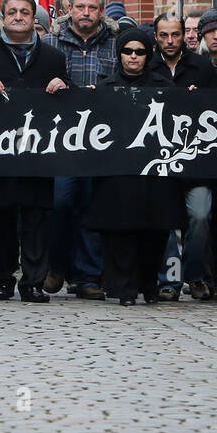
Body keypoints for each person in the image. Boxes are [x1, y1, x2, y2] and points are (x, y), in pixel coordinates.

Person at [0, 0, 69, 302]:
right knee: (1, 216)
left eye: (24, 12)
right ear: (3, 17)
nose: (18, 16)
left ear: (34, 18)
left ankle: (33, 281)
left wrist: (63, 88)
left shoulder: (53, 58)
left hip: (38, 150)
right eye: (12, 12)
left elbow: (70, 102)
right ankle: (2, 279)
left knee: (36, 216)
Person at [88, 27, 183, 305]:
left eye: (140, 52)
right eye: (128, 51)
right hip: (117, 173)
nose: (133, 56)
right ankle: (125, 287)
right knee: (120, 232)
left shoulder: (164, 87)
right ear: (119, 54)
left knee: (155, 231)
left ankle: (149, 284)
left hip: (155, 172)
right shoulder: (104, 88)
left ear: (148, 55)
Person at [43, 0, 118, 300]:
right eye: (80, 7)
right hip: (60, 140)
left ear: (101, 12)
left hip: (102, 140)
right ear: (68, 10)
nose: (86, 13)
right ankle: (57, 265)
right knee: (59, 203)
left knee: (91, 206)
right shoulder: (48, 43)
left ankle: (87, 276)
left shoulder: (117, 44)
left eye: (93, 8)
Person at [150, 12, 217, 303]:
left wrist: (199, 101)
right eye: (164, 35)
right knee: (166, 222)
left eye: (175, 34)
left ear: (184, 35)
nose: (170, 41)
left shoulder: (202, 67)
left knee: (200, 216)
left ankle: (194, 275)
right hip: (160, 160)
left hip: (196, 160)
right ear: (156, 36)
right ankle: (169, 280)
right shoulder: (148, 66)